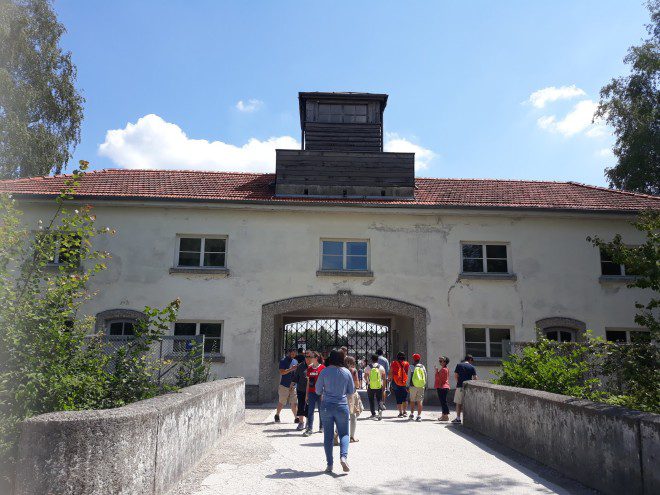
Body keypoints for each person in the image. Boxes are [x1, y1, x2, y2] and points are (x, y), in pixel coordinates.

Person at [316, 349, 355, 473]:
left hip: (326, 406)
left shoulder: (324, 371)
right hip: (342, 406)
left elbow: (317, 390)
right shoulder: (346, 372)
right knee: (344, 434)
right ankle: (343, 457)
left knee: (328, 436)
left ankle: (329, 464)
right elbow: (351, 391)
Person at [303, 351, 325, 436]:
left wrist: (323, 393)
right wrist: (306, 394)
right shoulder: (309, 368)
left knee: (321, 410)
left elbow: (324, 382)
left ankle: (322, 427)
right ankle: (310, 428)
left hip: (320, 393)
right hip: (311, 392)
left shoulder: (322, 368)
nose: (309, 358)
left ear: (316, 358)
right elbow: (308, 382)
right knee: (310, 411)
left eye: (311, 357)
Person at [453, 354, 478, 424]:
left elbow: (455, 376)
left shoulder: (459, 365)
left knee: (458, 403)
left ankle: (458, 418)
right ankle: (468, 420)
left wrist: (458, 383)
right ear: (470, 360)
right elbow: (475, 378)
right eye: (472, 361)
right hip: (468, 387)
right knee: (467, 403)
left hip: (460, 386)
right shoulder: (472, 367)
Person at [275, 348, 298, 423]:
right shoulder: (283, 361)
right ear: (289, 353)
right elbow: (282, 372)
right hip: (284, 385)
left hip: (293, 385)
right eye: (292, 353)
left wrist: (294, 382)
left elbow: (296, 374)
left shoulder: (295, 361)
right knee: (282, 402)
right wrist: (291, 369)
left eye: (295, 353)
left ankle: (296, 417)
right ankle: (277, 415)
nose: (293, 355)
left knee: (294, 403)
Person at [344, 356, 363, 442]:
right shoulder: (353, 370)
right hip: (351, 394)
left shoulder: (340, 370)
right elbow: (357, 385)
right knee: (353, 416)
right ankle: (351, 437)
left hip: (342, 394)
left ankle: (336, 434)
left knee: (342, 416)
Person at [406, 353, 427, 421]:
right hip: (421, 385)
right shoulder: (422, 367)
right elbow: (425, 376)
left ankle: (412, 414)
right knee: (420, 400)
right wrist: (424, 384)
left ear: (413, 359)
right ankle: (419, 416)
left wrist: (407, 386)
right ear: (419, 359)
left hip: (413, 386)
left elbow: (409, 377)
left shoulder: (411, 367)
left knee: (412, 400)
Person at [364, 354, 386, 420]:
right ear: (377, 359)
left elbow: (365, 376)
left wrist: (368, 382)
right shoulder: (381, 367)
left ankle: (373, 414)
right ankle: (379, 411)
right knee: (379, 399)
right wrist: (384, 386)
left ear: (371, 359)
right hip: (379, 386)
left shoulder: (368, 367)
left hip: (371, 386)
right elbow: (384, 378)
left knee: (371, 400)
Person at [389, 352, 410, 417]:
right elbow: (408, 373)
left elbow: (391, 372)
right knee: (405, 398)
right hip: (405, 382)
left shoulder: (393, 363)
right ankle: (405, 412)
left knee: (398, 398)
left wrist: (390, 379)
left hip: (396, 382)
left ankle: (400, 413)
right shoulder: (407, 363)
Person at [294, 348, 309, 430]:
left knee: (308, 406)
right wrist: (292, 385)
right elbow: (296, 377)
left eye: (309, 356)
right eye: (306, 356)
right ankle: (301, 422)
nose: (307, 358)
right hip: (301, 389)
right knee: (300, 405)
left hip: (310, 390)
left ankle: (308, 422)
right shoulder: (300, 366)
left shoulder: (313, 366)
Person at [434, 356, 451, 421]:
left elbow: (439, 378)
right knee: (443, 402)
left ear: (445, 362)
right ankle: (444, 415)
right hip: (443, 387)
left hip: (442, 387)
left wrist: (436, 371)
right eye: (439, 361)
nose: (440, 362)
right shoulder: (445, 368)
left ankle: (445, 416)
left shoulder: (444, 369)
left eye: (441, 361)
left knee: (443, 402)